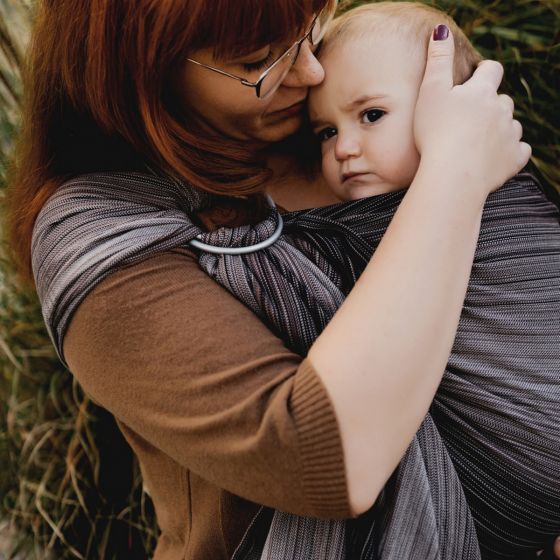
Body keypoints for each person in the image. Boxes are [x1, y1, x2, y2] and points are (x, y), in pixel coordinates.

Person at [6, 0, 558, 558]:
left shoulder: (334, 107)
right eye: (258, 58)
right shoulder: (101, 231)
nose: (310, 70)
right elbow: (315, 452)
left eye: (309, 26)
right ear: (143, 68)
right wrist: (454, 168)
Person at [301, 2, 560, 558]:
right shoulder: (352, 231)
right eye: (324, 131)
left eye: (370, 115)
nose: (343, 148)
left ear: (451, 107)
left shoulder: (512, 203)